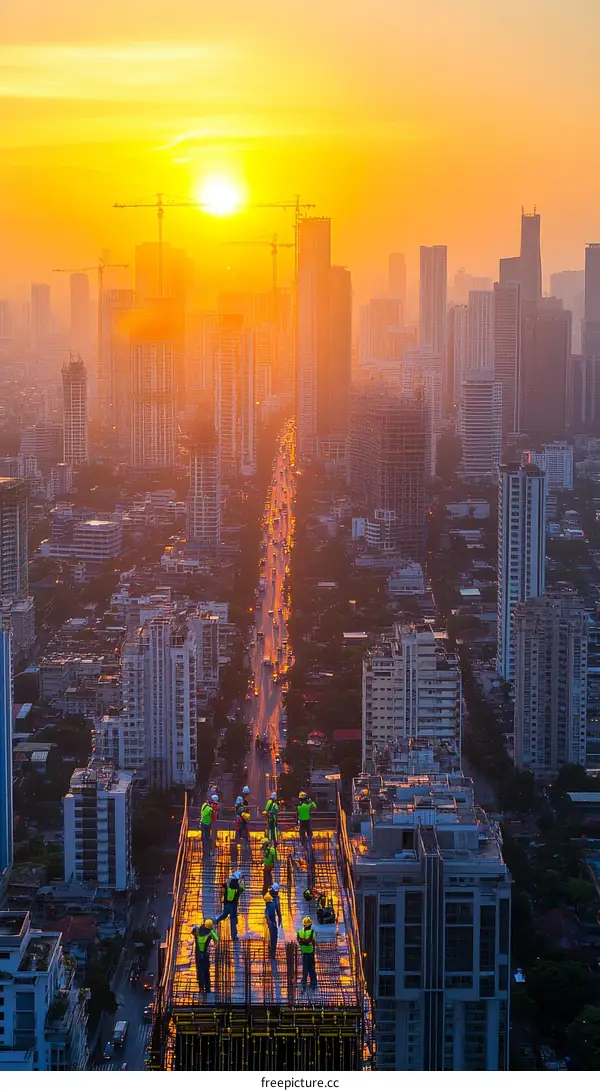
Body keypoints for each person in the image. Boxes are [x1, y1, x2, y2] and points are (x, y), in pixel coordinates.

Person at [215, 871, 244, 940]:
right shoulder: (238, 886)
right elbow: (242, 889)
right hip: (233, 905)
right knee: (233, 920)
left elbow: (222, 887)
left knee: (224, 915)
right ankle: (234, 936)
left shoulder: (227, 883)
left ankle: (215, 921)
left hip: (226, 903)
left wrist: (220, 898)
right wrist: (241, 881)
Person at [192, 918, 219, 991]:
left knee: (204, 970)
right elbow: (216, 939)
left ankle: (205, 987)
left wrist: (216, 944)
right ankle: (204, 987)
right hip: (200, 953)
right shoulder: (206, 932)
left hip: (202, 953)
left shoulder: (202, 931)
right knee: (203, 971)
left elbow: (216, 939)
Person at [297, 915, 317, 990]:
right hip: (310, 953)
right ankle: (313, 982)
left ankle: (304, 981)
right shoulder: (312, 932)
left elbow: (299, 941)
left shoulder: (299, 932)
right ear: (310, 925)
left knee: (305, 968)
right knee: (311, 968)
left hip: (304, 953)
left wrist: (303, 942)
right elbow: (313, 942)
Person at [264, 892, 279, 960]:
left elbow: (267, 914)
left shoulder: (268, 905)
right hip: (274, 923)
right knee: (274, 939)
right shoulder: (273, 903)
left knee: (272, 939)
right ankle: (273, 953)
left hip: (272, 924)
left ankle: (272, 953)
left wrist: (269, 921)